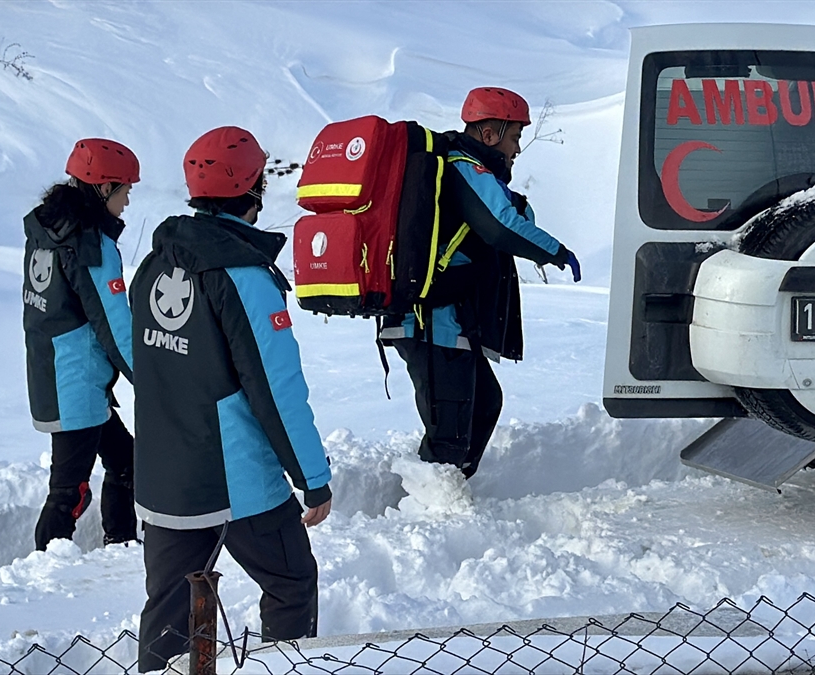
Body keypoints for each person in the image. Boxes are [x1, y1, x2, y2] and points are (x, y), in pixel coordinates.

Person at [130, 126, 333, 672]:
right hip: (234, 477)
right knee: (291, 583)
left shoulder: (154, 265)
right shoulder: (241, 275)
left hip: (165, 474)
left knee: (170, 610)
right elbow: (276, 387)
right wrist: (311, 475)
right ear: (254, 188)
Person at [381, 87, 582, 479]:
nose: (517, 150)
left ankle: (451, 488)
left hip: (448, 320)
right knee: (450, 431)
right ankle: (429, 516)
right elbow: (500, 225)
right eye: (515, 137)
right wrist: (555, 251)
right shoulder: (463, 166)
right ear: (489, 135)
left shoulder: (470, 172)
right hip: (430, 320)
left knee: (485, 403)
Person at [22, 138, 140, 551]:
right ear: (103, 187)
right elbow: (113, 323)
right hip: (76, 383)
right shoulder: (90, 244)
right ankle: (45, 571)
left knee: (127, 462)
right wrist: (149, 380)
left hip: (52, 371)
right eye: (125, 191)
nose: (127, 203)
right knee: (69, 492)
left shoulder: (47, 228)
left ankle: (122, 545)